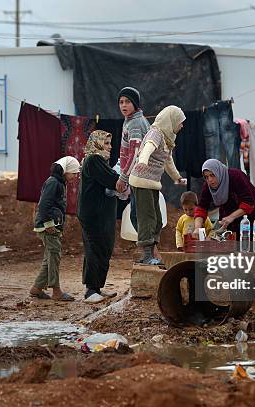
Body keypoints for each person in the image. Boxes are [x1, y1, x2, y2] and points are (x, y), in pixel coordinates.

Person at [129, 105, 187, 265]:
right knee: (147, 218)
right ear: (172, 120)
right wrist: (142, 161)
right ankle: (146, 255)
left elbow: (167, 161)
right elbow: (147, 147)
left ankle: (149, 253)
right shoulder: (156, 133)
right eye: (180, 122)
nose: (181, 126)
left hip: (152, 183)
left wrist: (177, 178)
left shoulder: (167, 139)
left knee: (158, 220)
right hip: (141, 181)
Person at [77, 130, 122, 304]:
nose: (110, 147)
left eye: (110, 143)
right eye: (106, 143)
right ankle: (90, 290)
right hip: (94, 215)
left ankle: (96, 287)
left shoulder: (98, 161)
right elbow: (113, 180)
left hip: (99, 214)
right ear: (97, 143)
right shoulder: (94, 160)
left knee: (102, 247)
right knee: (96, 248)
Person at [29, 156, 80, 301]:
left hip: (51, 225)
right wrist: (49, 224)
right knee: (54, 256)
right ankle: (56, 290)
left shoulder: (59, 182)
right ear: (65, 171)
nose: (75, 176)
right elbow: (44, 205)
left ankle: (37, 288)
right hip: (48, 226)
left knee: (49, 256)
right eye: (73, 173)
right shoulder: (53, 183)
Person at [193, 159, 255, 238]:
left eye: (212, 175)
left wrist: (231, 217)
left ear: (218, 172)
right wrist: (197, 228)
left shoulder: (236, 176)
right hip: (227, 213)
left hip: (249, 215)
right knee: (226, 241)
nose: (210, 180)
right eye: (206, 177)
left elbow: (249, 203)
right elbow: (201, 208)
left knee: (247, 241)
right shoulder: (208, 186)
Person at [115, 87, 151, 232]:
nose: (123, 105)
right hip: (138, 176)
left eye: (128, 101)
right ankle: (151, 253)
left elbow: (134, 154)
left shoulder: (135, 124)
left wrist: (123, 177)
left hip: (140, 177)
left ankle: (151, 254)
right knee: (139, 216)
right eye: (121, 102)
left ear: (135, 103)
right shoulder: (130, 120)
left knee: (138, 217)